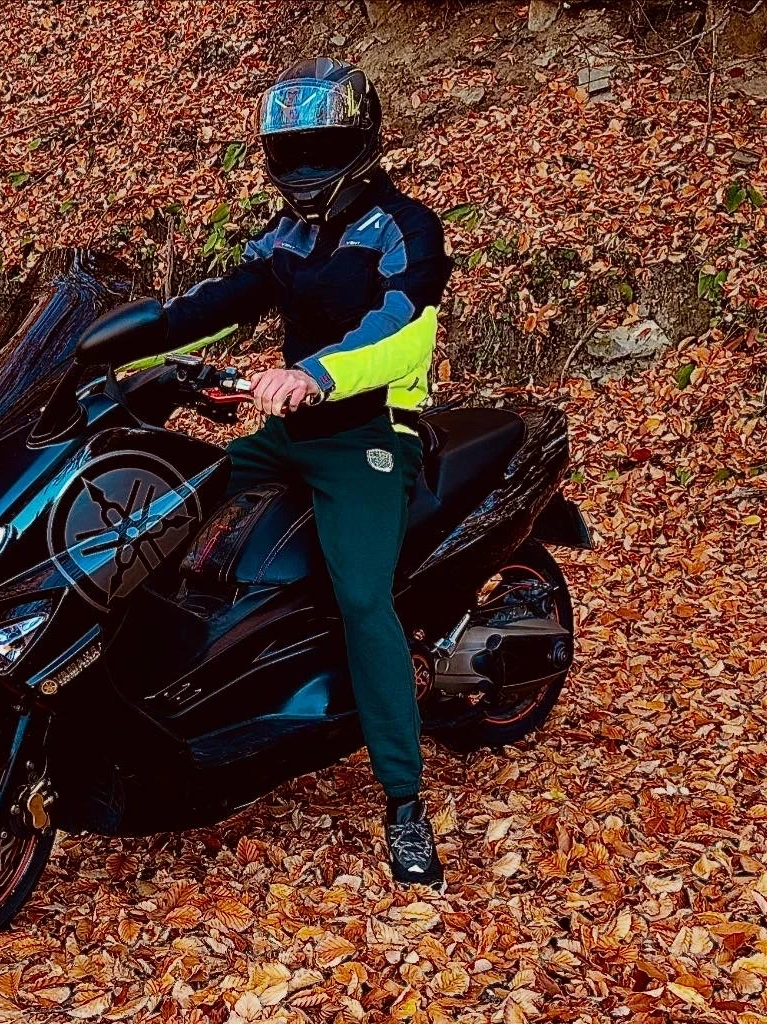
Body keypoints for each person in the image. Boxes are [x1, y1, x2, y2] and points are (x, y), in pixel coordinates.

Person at [161, 59, 453, 887]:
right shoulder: (287, 235)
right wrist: (117, 346)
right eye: (290, 150)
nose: (303, 165)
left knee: (363, 598)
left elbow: (404, 330)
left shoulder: (405, 228)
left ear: (361, 143)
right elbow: (217, 301)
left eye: (320, 147)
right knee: (169, 509)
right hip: (289, 429)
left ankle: (405, 803)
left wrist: (316, 374)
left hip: (369, 434)